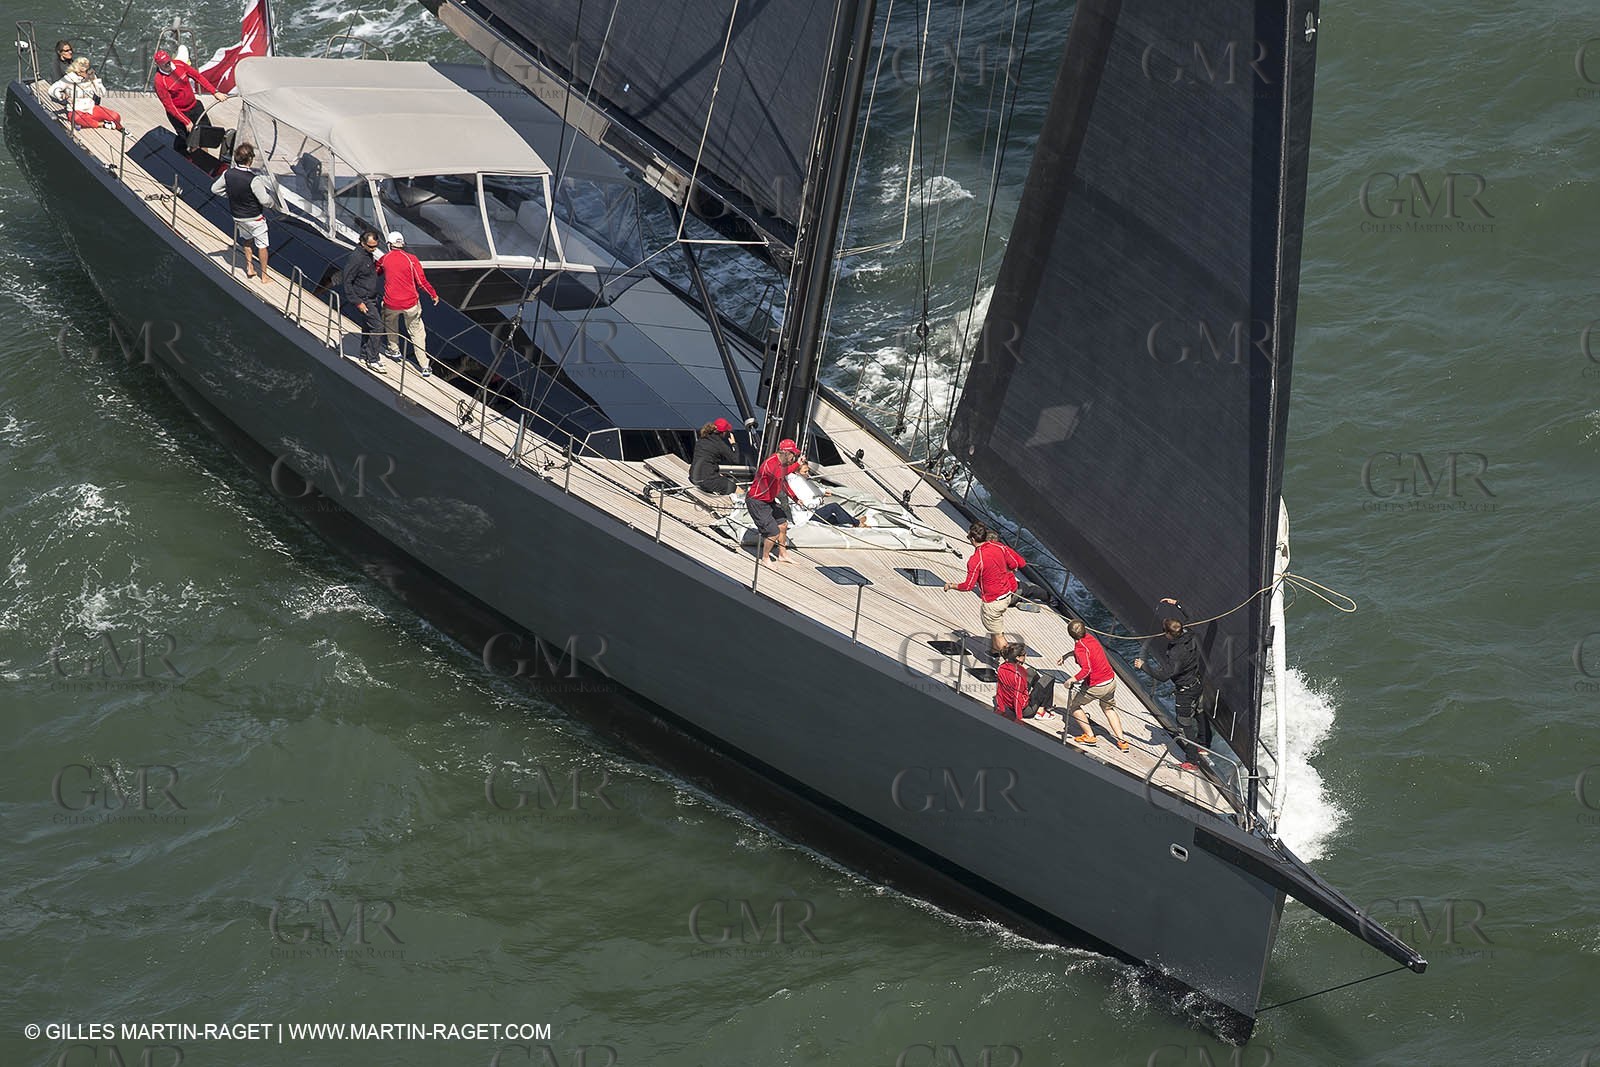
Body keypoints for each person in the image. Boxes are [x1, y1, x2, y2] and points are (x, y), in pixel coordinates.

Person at [1134, 597, 1207, 771]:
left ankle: (1192, 761)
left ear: (1168, 634)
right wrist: (1177, 603)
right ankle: (1202, 744)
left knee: (1184, 723)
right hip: (1197, 683)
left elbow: (1163, 676)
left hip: (1185, 690)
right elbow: (1193, 616)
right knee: (1198, 712)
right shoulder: (1188, 633)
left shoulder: (1175, 653)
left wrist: (1143, 666)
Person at [943, 521, 1026, 658]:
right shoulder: (999, 547)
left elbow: (968, 586)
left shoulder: (975, 560)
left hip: (992, 601)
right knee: (996, 627)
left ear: (973, 539)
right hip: (1007, 594)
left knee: (998, 634)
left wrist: (952, 585)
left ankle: (1012, 661)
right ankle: (994, 651)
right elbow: (1014, 564)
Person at [1058, 619, 1131, 751]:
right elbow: (1088, 652)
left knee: (1073, 705)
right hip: (1110, 681)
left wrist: (1071, 679)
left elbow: (1086, 669)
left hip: (1096, 686)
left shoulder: (1080, 648)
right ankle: (1122, 741)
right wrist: (1067, 655)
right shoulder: (1090, 638)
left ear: (1070, 635)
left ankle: (1089, 736)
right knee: (1108, 709)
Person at [210, 142, 277, 282]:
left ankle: (249, 267)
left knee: (247, 240)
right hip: (255, 218)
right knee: (262, 245)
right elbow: (264, 200)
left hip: (238, 216)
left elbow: (215, 189)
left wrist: (231, 195)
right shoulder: (254, 179)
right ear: (250, 159)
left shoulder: (228, 173)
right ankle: (264, 275)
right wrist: (273, 203)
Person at [377, 232, 439, 376]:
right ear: (402, 244)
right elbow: (421, 281)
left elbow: (376, 271)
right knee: (417, 332)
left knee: (390, 324)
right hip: (410, 304)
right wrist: (433, 294)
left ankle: (394, 351)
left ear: (389, 244)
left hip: (391, 303)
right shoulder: (411, 259)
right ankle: (424, 365)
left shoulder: (384, 259)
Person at [152, 49, 225, 150]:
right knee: (192, 144)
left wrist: (215, 92)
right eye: (165, 64)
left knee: (205, 138)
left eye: (169, 62)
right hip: (180, 114)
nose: (169, 65)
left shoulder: (179, 65)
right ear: (158, 65)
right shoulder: (159, 81)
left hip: (195, 107)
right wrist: (186, 121)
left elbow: (198, 77)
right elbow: (169, 106)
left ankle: (205, 161)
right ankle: (192, 160)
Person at [745, 438, 803, 563]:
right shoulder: (770, 463)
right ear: (786, 453)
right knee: (773, 532)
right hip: (757, 501)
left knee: (783, 524)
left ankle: (782, 554)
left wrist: (795, 498)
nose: (794, 457)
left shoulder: (782, 465)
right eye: (793, 454)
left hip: (768, 501)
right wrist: (797, 464)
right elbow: (779, 475)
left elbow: (782, 483)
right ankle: (765, 558)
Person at [342, 229, 386, 371]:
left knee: (368, 327)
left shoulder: (368, 255)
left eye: (375, 246)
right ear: (362, 243)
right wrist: (357, 302)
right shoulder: (357, 258)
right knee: (377, 327)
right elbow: (347, 281)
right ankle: (372, 359)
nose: (374, 249)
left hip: (371, 298)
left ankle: (363, 355)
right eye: (371, 246)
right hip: (363, 299)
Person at [49, 57, 121, 131]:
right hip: (76, 111)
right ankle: (102, 124)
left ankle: (120, 129)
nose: (89, 71)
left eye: (89, 68)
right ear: (79, 72)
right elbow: (52, 90)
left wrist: (95, 81)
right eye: (86, 70)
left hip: (91, 109)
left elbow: (101, 94)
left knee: (115, 116)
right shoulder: (69, 78)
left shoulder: (91, 77)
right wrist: (60, 95)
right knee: (77, 118)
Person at [994, 642, 1057, 723]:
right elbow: (1017, 696)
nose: (1026, 656)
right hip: (1026, 710)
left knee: (1031, 672)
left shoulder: (1001, 668)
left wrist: (1000, 708)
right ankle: (1042, 710)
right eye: (1024, 655)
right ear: (1018, 657)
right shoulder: (1019, 675)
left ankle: (1042, 697)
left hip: (1011, 706)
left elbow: (999, 689)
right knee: (1049, 676)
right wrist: (1018, 718)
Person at [689, 417, 739, 496]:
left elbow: (707, 460)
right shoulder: (720, 444)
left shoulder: (702, 439)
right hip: (706, 480)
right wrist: (734, 444)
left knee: (721, 478)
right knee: (737, 490)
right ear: (723, 432)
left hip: (693, 477)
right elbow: (735, 460)